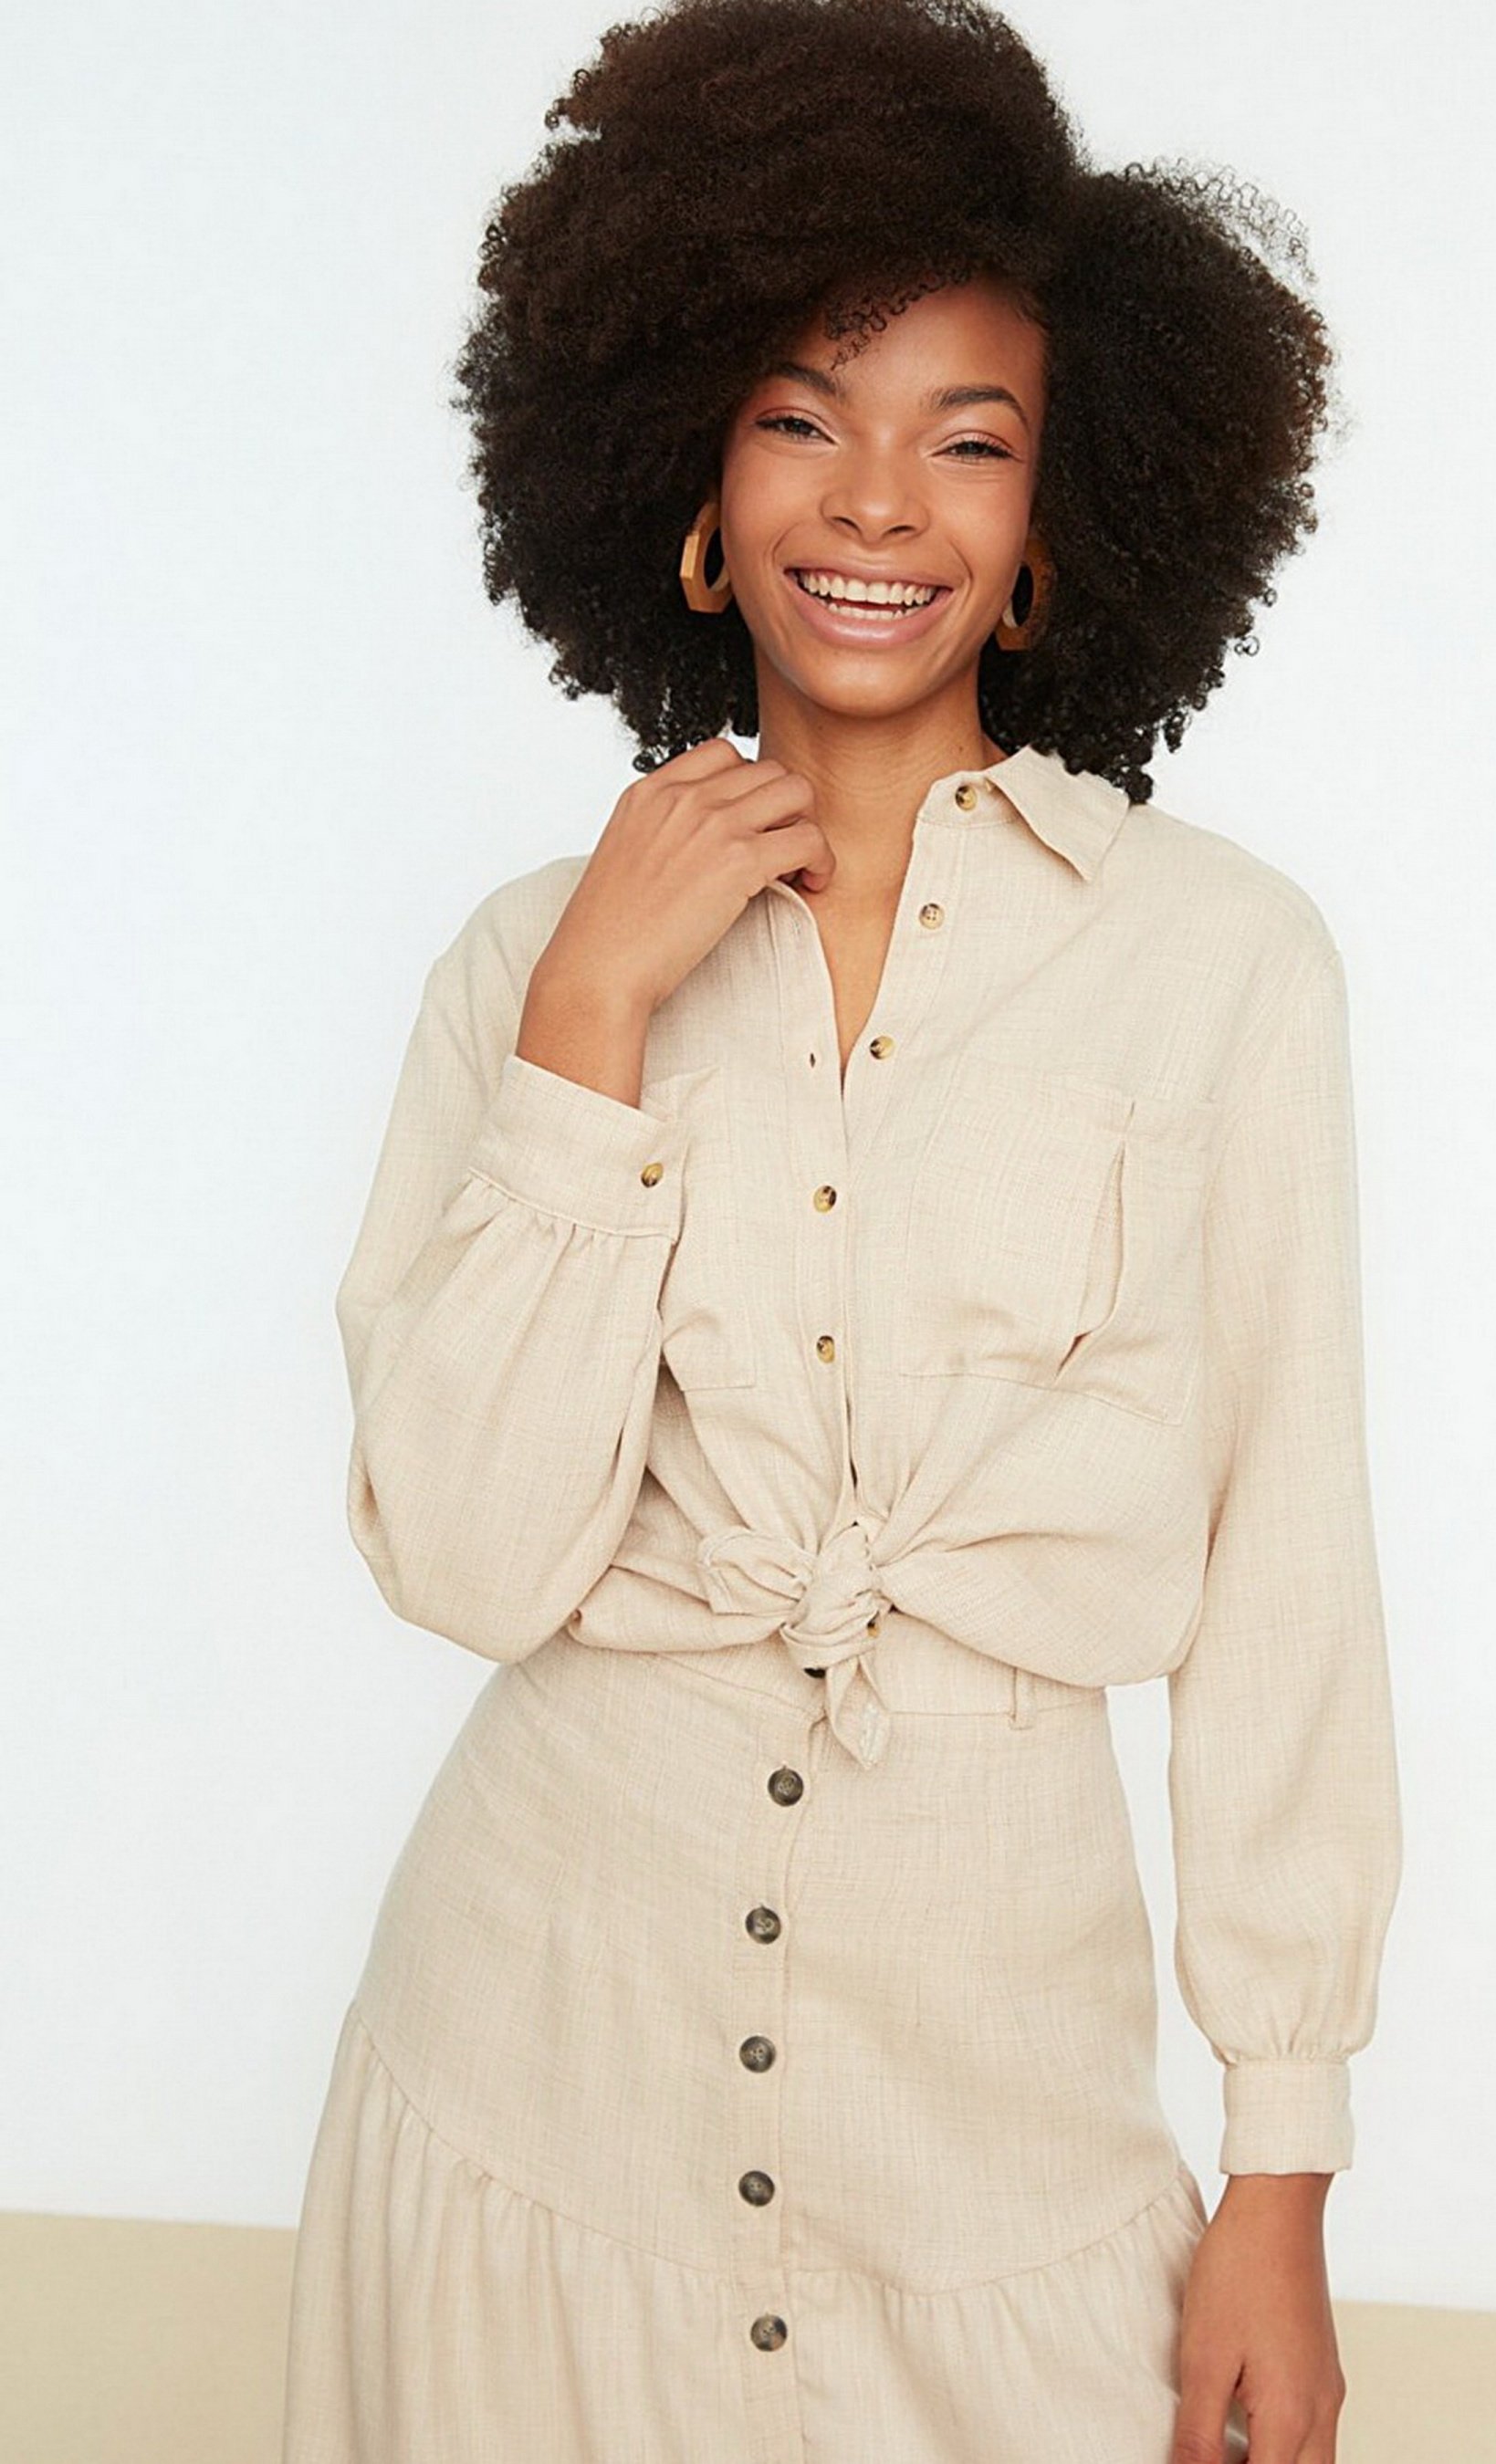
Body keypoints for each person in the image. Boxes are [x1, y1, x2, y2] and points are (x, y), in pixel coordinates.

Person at [279, 2, 1404, 2459]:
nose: (877, 504)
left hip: (992, 2128)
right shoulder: (527, 959)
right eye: (804, 416)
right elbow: (464, 1554)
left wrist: (1280, 2168)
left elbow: (1289, 1580)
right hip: (525, 2074)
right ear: (691, 476)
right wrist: (593, 1013)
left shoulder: (1222, 965)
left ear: (1057, 520)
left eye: (965, 439)